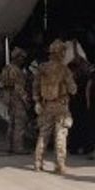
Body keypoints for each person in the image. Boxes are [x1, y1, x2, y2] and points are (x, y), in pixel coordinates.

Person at [33, 39, 77, 174]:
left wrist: (37, 101)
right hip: (60, 107)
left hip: (45, 105)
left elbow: (35, 86)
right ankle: (60, 165)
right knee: (60, 135)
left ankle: (37, 163)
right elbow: (72, 89)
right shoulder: (64, 70)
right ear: (61, 53)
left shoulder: (42, 68)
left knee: (43, 135)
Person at [0, 47, 30, 154]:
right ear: (17, 58)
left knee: (11, 123)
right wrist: (26, 100)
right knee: (20, 123)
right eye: (22, 58)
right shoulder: (16, 71)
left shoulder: (7, 69)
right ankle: (18, 148)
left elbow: (1, 84)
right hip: (17, 100)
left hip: (9, 99)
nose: (23, 60)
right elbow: (19, 88)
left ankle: (9, 146)